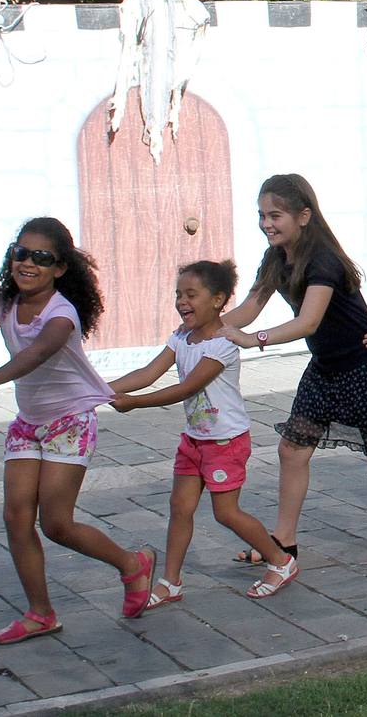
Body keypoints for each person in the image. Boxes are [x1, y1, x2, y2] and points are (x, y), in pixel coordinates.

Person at [221, 175, 367, 580]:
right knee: (292, 450)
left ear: (303, 215)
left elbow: (308, 322)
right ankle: (284, 542)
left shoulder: (322, 259)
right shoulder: (276, 257)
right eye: (262, 215)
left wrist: (251, 341)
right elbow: (250, 307)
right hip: (326, 369)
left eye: (275, 215)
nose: (267, 223)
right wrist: (205, 327)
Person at [0, 219, 156, 645]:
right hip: (28, 423)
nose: (27, 263)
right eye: (21, 253)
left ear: (59, 268)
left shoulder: (62, 314)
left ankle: (132, 564)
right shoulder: (5, 303)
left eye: (41, 258)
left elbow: (37, 354)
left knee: (56, 523)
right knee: (15, 518)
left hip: (70, 421)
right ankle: (40, 614)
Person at [111, 260, 297, 608]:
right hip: (195, 440)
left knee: (226, 512)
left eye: (191, 294)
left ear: (218, 299)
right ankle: (171, 582)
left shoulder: (223, 343)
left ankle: (281, 560)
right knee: (180, 507)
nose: (182, 301)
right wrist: (99, 390)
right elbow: (149, 372)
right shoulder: (180, 336)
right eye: (178, 294)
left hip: (225, 441)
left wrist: (134, 404)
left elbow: (186, 388)